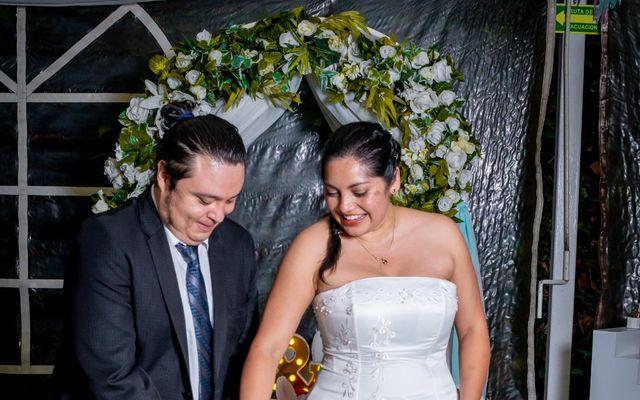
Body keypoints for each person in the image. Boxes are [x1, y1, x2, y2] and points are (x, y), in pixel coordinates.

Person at [240, 121, 490, 400]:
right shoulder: (313, 246)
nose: (345, 207)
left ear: (393, 179)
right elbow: (268, 349)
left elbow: (472, 329)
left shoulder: (443, 234)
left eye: (359, 192)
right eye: (332, 193)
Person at [51, 101, 258, 400]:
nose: (218, 215)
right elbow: (112, 378)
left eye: (230, 200)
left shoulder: (238, 245)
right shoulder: (108, 241)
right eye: (204, 199)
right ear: (164, 176)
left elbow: (242, 354)